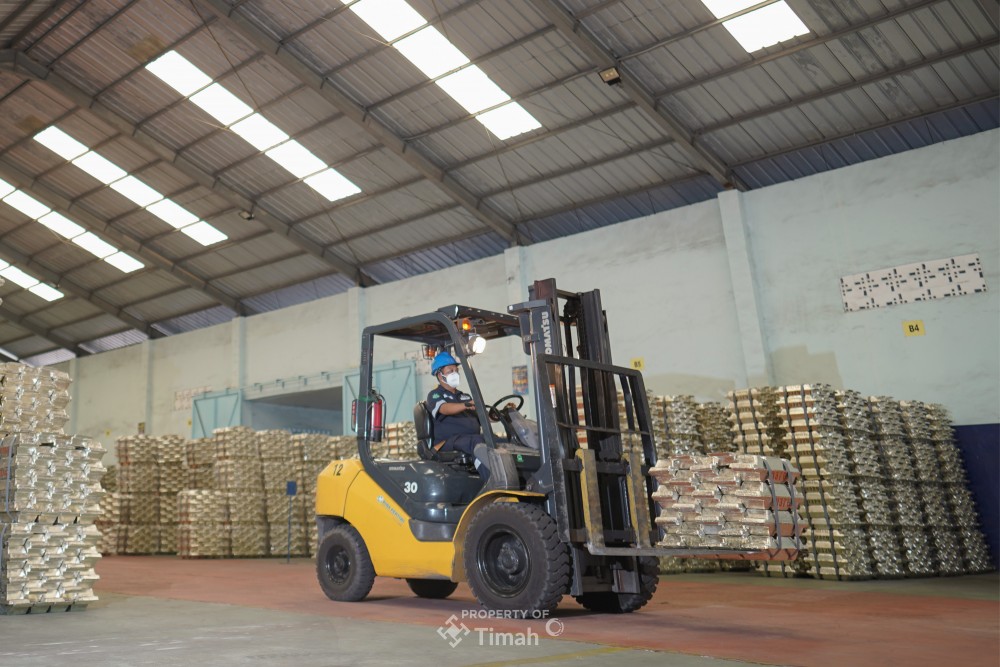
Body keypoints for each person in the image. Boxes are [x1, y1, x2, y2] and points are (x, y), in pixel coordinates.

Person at [426, 350, 492, 480]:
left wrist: (500, 415)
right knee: (477, 443)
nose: (455, 373)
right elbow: (444, 409)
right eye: (450, 371)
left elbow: (482, 417)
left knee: (497, 441)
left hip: (468, 438)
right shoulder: (435, 395)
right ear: (439, 375)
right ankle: (492, 481)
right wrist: (465, 405)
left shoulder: (464, 396)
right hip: (448, 442)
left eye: (456, 370)